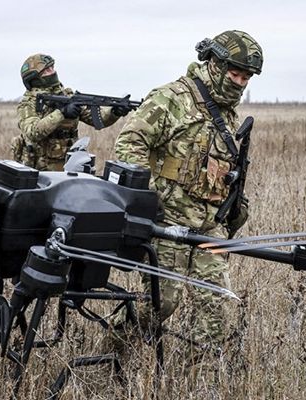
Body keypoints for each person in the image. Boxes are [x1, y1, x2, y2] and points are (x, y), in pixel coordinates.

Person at [113, 30, 263, 368]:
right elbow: (129, 143)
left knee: (215, 306)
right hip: (168, 222)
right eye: (234, 73)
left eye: (246, 77)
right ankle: (117, 351)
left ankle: (195, 379)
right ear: (213, 64)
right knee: (162, 301)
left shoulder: (226, 112)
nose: (239, 82)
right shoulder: (171, 98)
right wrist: (150, 197)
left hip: (210, 224)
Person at [13, 53, 133, 171]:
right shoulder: (28, 103)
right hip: (41, 166)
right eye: (46, 70)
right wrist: (62, 113)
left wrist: (115, 112)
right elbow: (32, 132)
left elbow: (97, 119)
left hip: (70, 163)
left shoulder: (67, 96)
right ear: (35, 78)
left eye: (52, 68)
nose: (52, 72)